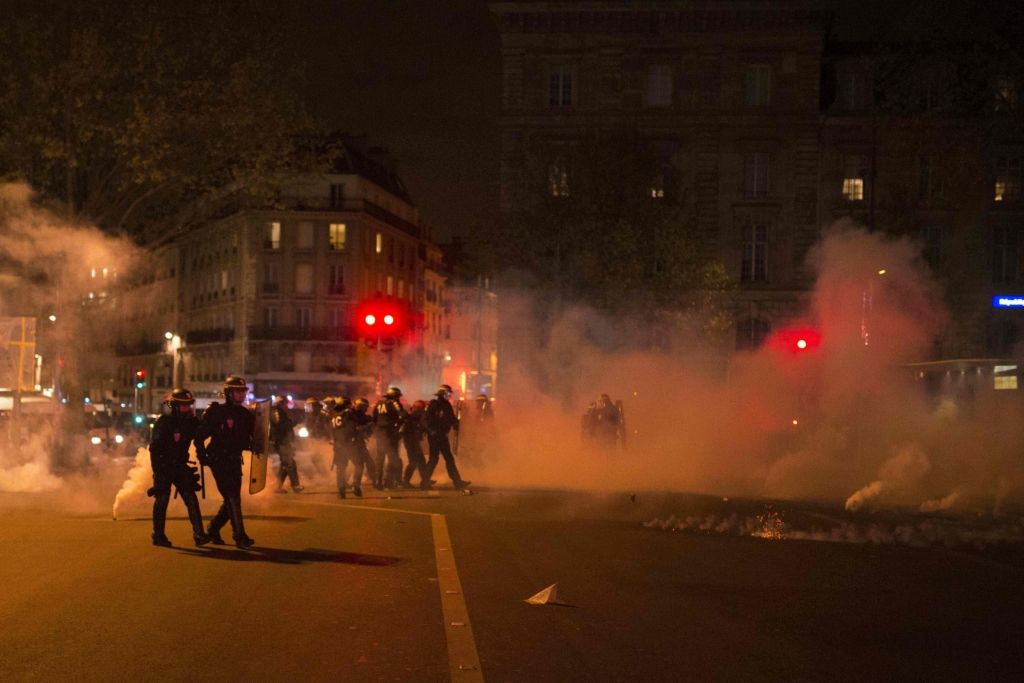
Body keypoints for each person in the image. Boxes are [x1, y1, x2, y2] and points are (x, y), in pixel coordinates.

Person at [197, 375, 256, 548]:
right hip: (218, 459)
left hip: (234, 460)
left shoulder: (246, 415)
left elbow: (253, 438)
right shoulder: (217, 412)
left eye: (243, 391)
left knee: (232, 498)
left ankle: (213, 528)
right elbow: (200, 436)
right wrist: (202, 455)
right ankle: (240, 536)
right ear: (228, 393)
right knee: (232, 497)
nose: (242, 394)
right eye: (237, 391)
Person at [148, 389, 210, 547]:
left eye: (189, 405)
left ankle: (199, 534)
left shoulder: (191, 422)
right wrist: (157, 472)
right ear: (175, 406)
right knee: (162, 499)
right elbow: (154, 449)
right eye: (183, 405)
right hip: (164, 466)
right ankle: (158, 535)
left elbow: (203, 433)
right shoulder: (164, 422)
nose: (187, 408)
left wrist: (211, 416)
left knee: (191, 498)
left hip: (180, 466)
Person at [423, 384, 471, 491]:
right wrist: (431, 431)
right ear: (442, 393)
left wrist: (455, 423)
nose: (449, 395)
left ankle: (457, 482)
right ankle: (424, 482)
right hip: (434, 435)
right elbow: (425, 420)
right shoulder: (433, 404)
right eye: (448, 393)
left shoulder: (447, 405)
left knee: (448, 459)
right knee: (434, 459)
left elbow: (451, 418)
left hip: (442, 435)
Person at [336, 397, 374, 497]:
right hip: (352, 443)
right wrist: (368, 426)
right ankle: (356, 486)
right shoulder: (349, 414)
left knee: (341, 467)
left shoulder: (334, 415)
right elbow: (355, 429)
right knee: (359, 464)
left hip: (338, 445)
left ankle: (341, 490)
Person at [372, 386, 407, 489]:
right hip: (390, 434)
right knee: (393, 458)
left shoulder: (378, 404)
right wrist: (399, 423)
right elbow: (403, 415)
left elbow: (374, 419)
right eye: (397, 397)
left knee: (380, 458)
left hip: (380, 434)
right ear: (394, 397)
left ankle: (378, 481)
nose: (398, 398)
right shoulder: (394, 403)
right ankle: (389, 481)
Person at [271, 396, 302, 493]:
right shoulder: (277, 412)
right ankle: (295, 485)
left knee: (285, 464)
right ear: (281, 403)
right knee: (290, 463)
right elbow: (281, 426)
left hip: (283, 441)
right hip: (281, 441)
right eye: (285, 404)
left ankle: (277, 487)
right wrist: (294, 422)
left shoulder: (279, 411)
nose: (287, 406)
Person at [400, 399, 429, 488]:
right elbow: (423, 425)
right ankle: (407, 481)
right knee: (415, 461)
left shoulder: (411, 416)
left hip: (411, 441)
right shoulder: (415, 416)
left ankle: (425, 480)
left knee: (419, 461)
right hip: (411, 442)